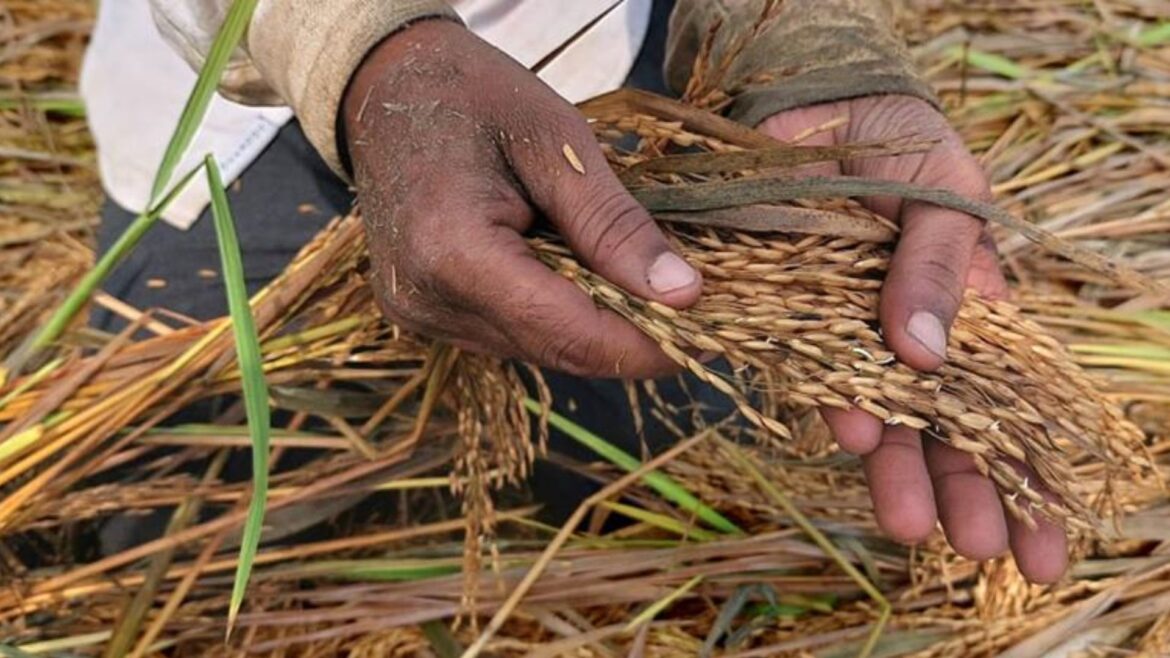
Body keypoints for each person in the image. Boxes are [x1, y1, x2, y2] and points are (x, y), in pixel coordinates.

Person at [81, 0, 1066, 584]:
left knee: (652, 466)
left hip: (591, 57)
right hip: (235, 91)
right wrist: (357, 47)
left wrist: (808, 44)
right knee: (167, 520)